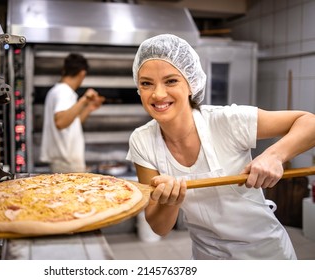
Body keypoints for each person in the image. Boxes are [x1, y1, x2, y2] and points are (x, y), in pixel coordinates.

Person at [126, 34, 315, 259]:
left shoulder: (226, 121)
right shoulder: (142, 141)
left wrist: (274, 155)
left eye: (171, 81)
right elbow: (159, 227)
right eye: (146, 83)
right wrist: (170, 202)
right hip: (209, 258)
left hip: (266, 254)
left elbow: (309, 122)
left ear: (190, 84)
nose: (157, 94)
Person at [41, 53, 104, 173]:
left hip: (64, 162)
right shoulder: (64, 92)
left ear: (64, 70)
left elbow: (73, 123)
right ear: (82, 73)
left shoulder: (57, 91)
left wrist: (88, 108)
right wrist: (84, 99)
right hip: (66, 164)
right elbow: (60, 122)